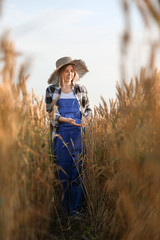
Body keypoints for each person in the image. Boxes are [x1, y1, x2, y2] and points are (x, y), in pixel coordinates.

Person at [45, 56, 92, 217]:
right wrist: (65, 119)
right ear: (60, 73)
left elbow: (88, 110)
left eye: (72, 71)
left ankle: (76, 210)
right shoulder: (51, 90)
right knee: (63, 172)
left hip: (79, 134)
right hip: (61, 134)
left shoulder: (81, 89)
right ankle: (65, 211)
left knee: (78, 171)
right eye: (66, 71)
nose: (70, 74)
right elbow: (50, 113)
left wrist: (86, 119)